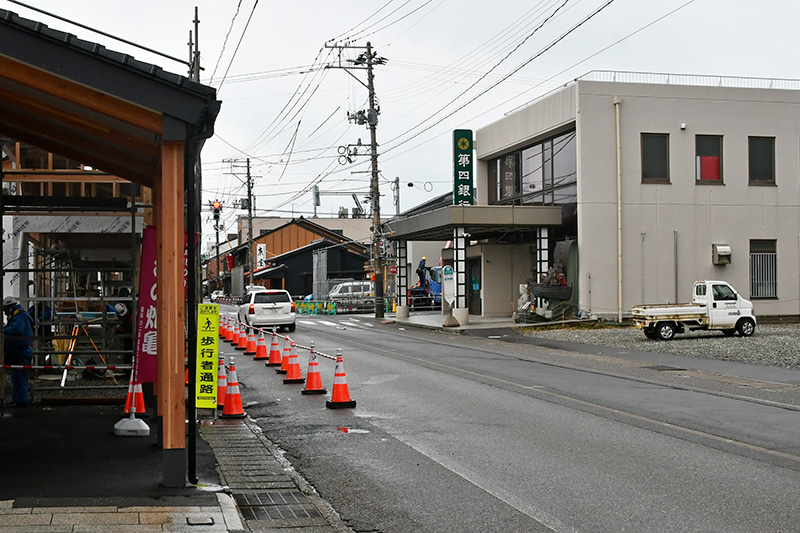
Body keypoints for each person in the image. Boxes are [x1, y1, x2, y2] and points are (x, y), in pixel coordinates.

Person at [3, 296, 34, 407]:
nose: (5, 313)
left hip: (22, 351)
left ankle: (21, 401)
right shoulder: (18, 315)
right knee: (16, 376)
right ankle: (16, 399)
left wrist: (3, 330)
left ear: (9, 307)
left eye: (5, 310)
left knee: (20, 376)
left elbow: (17, 330)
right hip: (19, 351)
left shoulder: (19, 317)